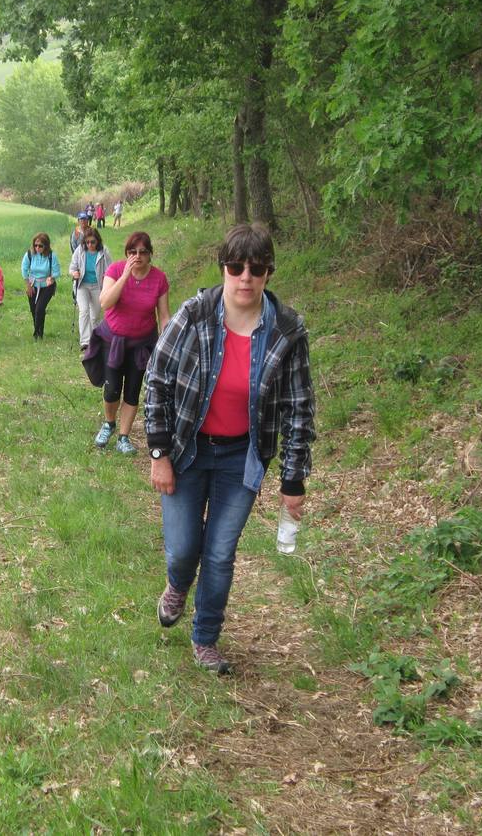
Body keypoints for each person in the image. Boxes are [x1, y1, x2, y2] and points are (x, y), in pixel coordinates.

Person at [143, 223, 315, 675]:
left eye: (255, 269)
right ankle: (178, 584)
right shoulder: (194, 314)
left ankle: (206, 639)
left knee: (219, 552)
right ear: (223, 268)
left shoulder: (287, 330)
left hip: (241, 457)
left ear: (267, 274)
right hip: (186, 449)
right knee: (184, 549)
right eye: (235, 267)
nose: (245, 277)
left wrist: (293, 480)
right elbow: (157, 380)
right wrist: (158, 453)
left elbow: (299, 408)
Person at [83, 231, 170, 454]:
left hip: (142, 344)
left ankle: (124, 436)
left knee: (132, 391)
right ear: (127, 253)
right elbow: (105, 302)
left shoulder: (159, 278)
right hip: (114, 341)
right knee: (112, 389)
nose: (138, 256)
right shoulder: (115, 270)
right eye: (133, 252)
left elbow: (164, 316)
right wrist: (125, 276)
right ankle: (109, 423)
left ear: (150, 254)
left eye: (143, 252)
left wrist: (167, 345)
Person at [69, 227, 112, 350]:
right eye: (87, 242)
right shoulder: (80, 250)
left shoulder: (104, 251)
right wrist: (74, 273)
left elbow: (111, 269)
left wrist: (108, 279)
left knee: (95, 316)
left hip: (98, 286)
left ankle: (95, 339)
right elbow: (72, 267)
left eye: (92, 242)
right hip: (82, 285)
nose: (90, 245)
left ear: (97, 241)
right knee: (84, 311)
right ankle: (85, 341)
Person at [21, 233, 61, 340]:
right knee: (34, 310)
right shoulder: (29, 254)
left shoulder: (52, 256)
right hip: (33, 284)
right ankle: (39, 331)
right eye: (35, 245)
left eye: (40, 246)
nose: (37, 248)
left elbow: (57, 272)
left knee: (40, 308)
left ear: (46, 246)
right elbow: (24, 269)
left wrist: (51, 278)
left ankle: (37, 334)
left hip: (47, 286)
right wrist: (28, 285)